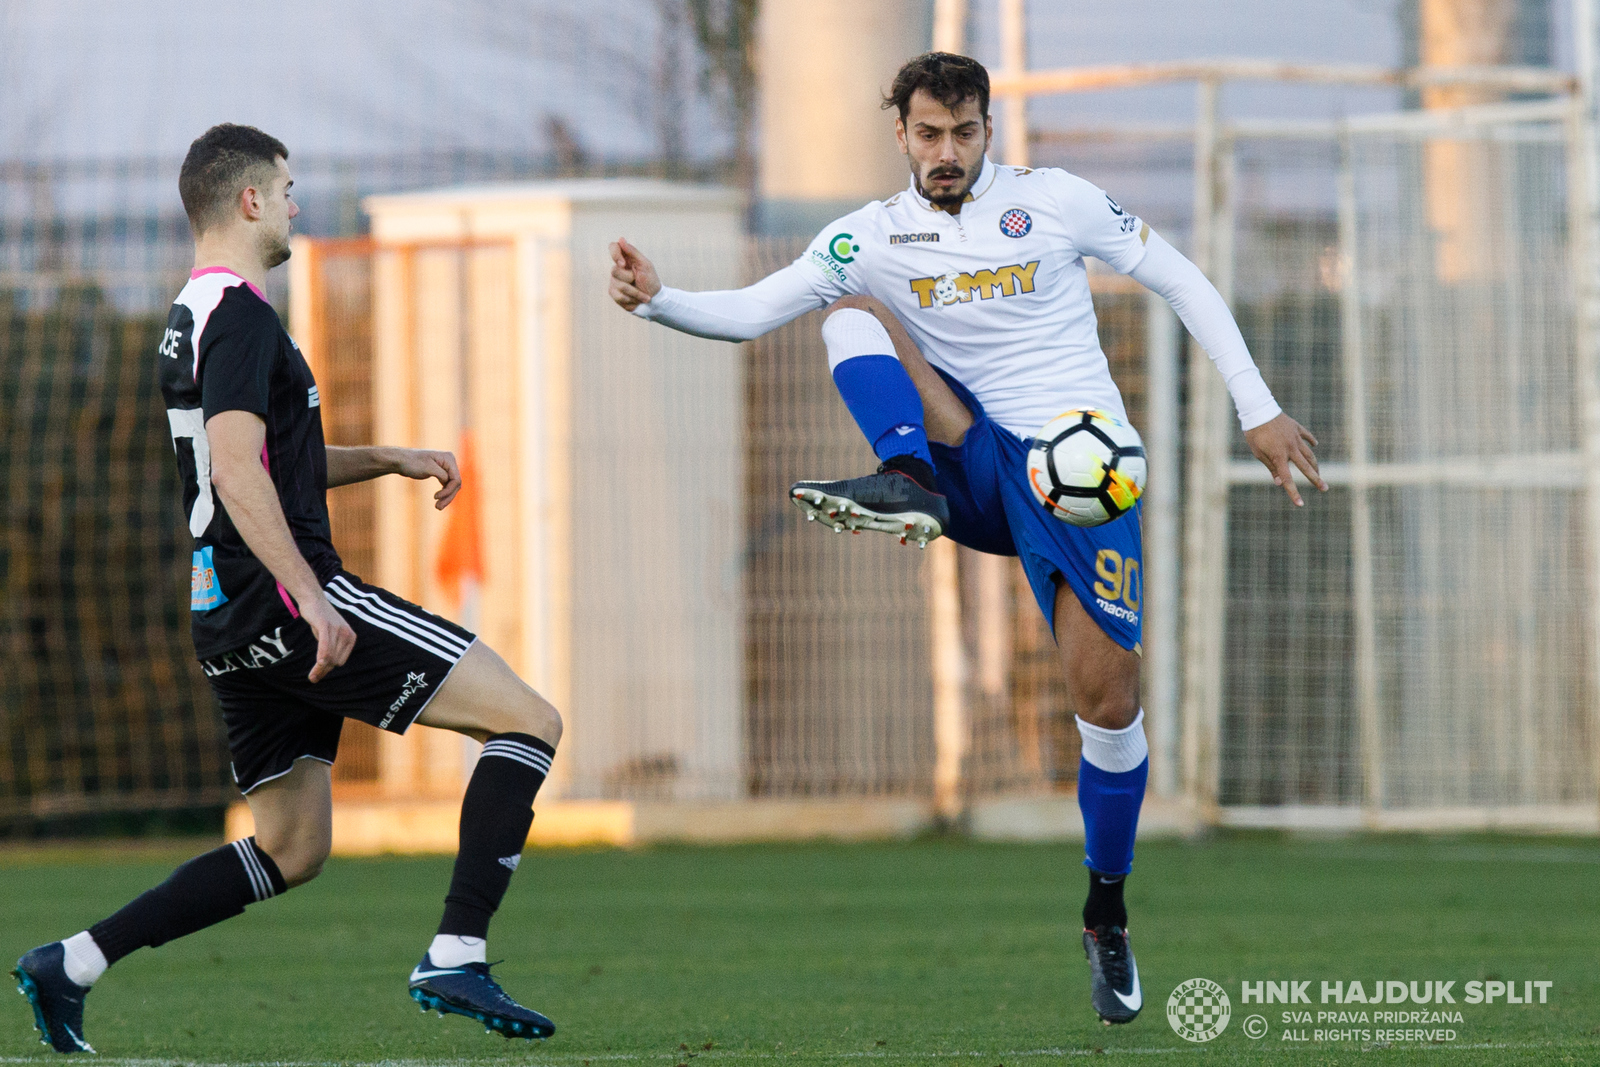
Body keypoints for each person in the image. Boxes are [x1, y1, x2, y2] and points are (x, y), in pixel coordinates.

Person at [608, 53, 1325, 1026]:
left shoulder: (1057, 202)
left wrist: (1259, 408)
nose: (947, 153)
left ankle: (1104, 909)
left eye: (965, 133)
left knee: (1107, 698)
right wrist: (659, 298)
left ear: (989, 130)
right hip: (974, 461)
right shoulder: (869, 234)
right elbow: (751, 312)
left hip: (1078, 476)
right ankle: (904, 479)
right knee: (848, 305)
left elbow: (1181, 277)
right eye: (929, 134)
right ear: (899, 133)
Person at [13, 124, 563, 1053]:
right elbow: (237, 471)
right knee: (527, 721)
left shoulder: (189, 318)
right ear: (249, 201)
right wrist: (311, 596)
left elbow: (260, 460)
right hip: (286, 601)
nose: (299, 202)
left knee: (292, 847)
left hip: (224, 615)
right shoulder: (243, 315)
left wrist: (383, 457)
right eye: (289, 186)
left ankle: (71, 962)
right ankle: (457, 949)